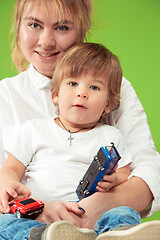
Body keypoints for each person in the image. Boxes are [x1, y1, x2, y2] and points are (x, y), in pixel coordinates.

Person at [0, 0, 159, 239]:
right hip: (32, 216)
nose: (46, 41)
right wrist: (39, 210)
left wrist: (104, 200)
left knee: (122, 214)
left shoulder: (114, 92)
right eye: (34, 24)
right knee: (6, 225)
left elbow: (146, 167)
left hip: (98, 214)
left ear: (83, 31)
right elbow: (7, 178)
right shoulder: (11, 103)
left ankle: (121, 232)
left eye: (62, 27)